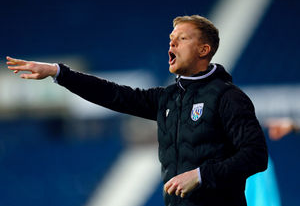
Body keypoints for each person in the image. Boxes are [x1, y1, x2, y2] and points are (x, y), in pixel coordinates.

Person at [6, 15, 268, 206]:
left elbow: (256, 155)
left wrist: (201, 175)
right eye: (171, 39)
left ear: (204, 50)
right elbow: (114, 95)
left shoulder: (228, 97)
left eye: (182, 39)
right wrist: (58, 72)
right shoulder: (168, 99)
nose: (172, 44)